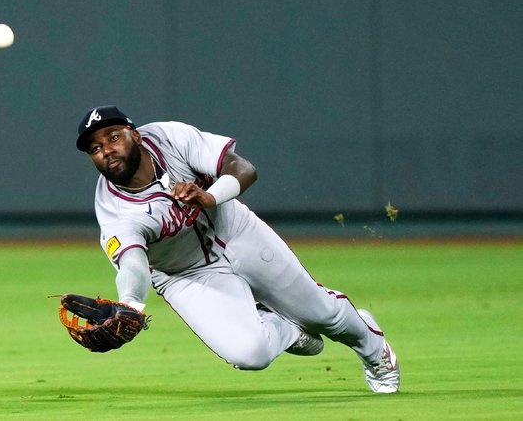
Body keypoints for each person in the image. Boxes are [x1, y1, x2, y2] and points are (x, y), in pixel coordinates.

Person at [74, 105, 400, 393]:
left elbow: (244, 169)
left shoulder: (169, 138)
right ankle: (283, 328)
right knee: (250, 356)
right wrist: (130, 304)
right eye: (95, 148)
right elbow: (133, 263)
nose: (106, 150)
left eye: (113, 137)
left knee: (323, 314)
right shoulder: (114, 211)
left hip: (239, 233)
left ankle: (375, 351)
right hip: (186, 274)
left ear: (135, 135)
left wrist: (210, 196)